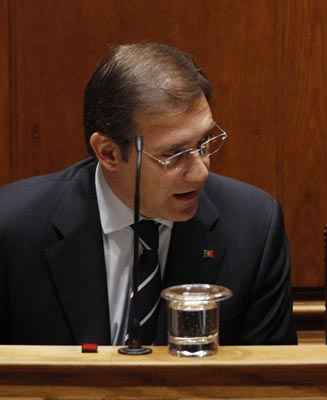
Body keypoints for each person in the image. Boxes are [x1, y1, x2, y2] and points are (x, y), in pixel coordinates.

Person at [0, 42, 297, 346]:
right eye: (174, 154)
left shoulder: (253, 228)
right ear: (108, 152)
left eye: (204, 143)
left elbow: (274, 379)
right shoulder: (14, 229)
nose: (200, 172)